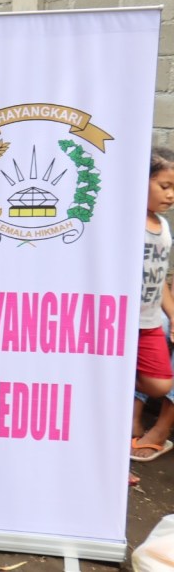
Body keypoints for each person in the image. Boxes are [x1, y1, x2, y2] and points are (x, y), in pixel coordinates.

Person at [129, 147, 174, 472]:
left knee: (160, 384)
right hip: (121, 322)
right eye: (164, 186)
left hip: (148, 323)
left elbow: (159, 282)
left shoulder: (163, 228)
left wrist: (173, 314)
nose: (171, 195)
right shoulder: (129, 225)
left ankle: (127, 389)